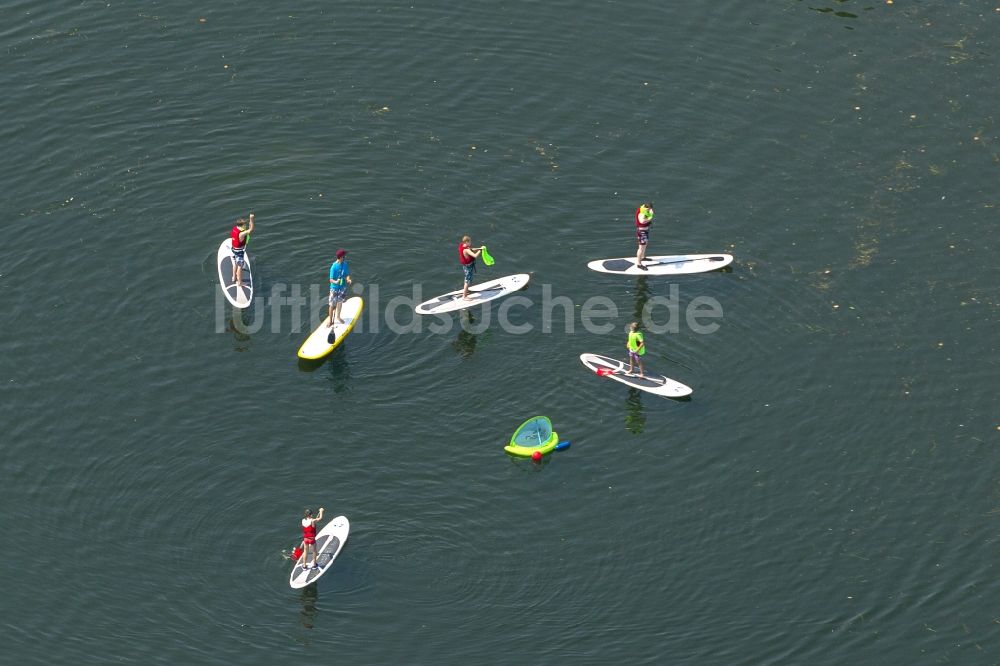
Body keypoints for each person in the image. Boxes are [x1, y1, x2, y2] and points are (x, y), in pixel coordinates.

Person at [328, 249, 352, 325]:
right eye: (344, 256)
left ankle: (338, 317)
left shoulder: (345, 264)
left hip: (342, 287)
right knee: (332, 305)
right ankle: (330, 321)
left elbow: (347, 274)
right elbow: (331, 280)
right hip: (334, 288)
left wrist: (348, 279)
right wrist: (336, 282)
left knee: (340, 302)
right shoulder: (333, 267)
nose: (345, 257)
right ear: (341, 257)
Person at [230, 213, 255, 285]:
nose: (246, 226)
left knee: (234, 264)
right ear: (242, 225)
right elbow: (251, 229)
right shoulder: (241, 234)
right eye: (245, 225)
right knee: (240, 267)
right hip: (239, 252)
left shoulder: (234, 228)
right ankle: (240, 282)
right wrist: (251, 219)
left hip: (233, 250)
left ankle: (233, 277)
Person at [459, 235, 483, 300]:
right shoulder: (466, 250)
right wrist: (480, 251)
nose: (471, 243)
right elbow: (475, 256)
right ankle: (464, 296)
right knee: (468, 280)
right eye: (470, 241)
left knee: (466, 278)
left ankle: (466, 290)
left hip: (465, 266)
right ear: (466, 242)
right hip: (468, 266)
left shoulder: (462, 245)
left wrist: (479, 248)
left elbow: (471, 249)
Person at [634, 203, 653, 270]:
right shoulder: (642, 213)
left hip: (645, 231)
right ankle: (639, 264)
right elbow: (642, 221)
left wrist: (649, 213)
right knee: (641, 247)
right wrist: (650, 218)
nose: (649, 210)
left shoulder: (644, 209)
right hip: (642, 232)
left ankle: (643, 257)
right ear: (646, 208)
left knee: (645, 244)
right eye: (649, 209)